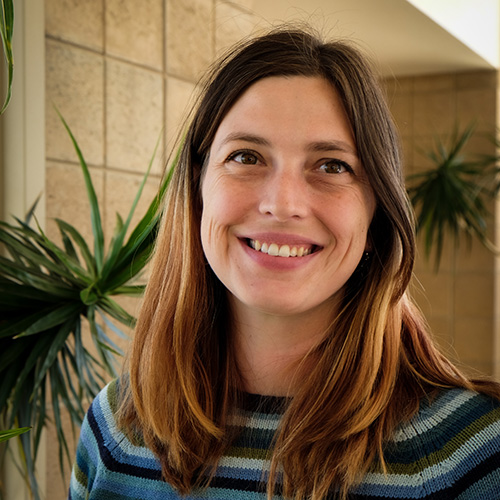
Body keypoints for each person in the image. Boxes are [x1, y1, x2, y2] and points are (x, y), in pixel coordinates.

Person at [69, 27, 500, 500]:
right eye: (246, 156)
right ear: (196, 193)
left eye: (332, 165)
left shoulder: (472, 456)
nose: (282, 204)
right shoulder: (115, 428)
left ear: (377, 216)